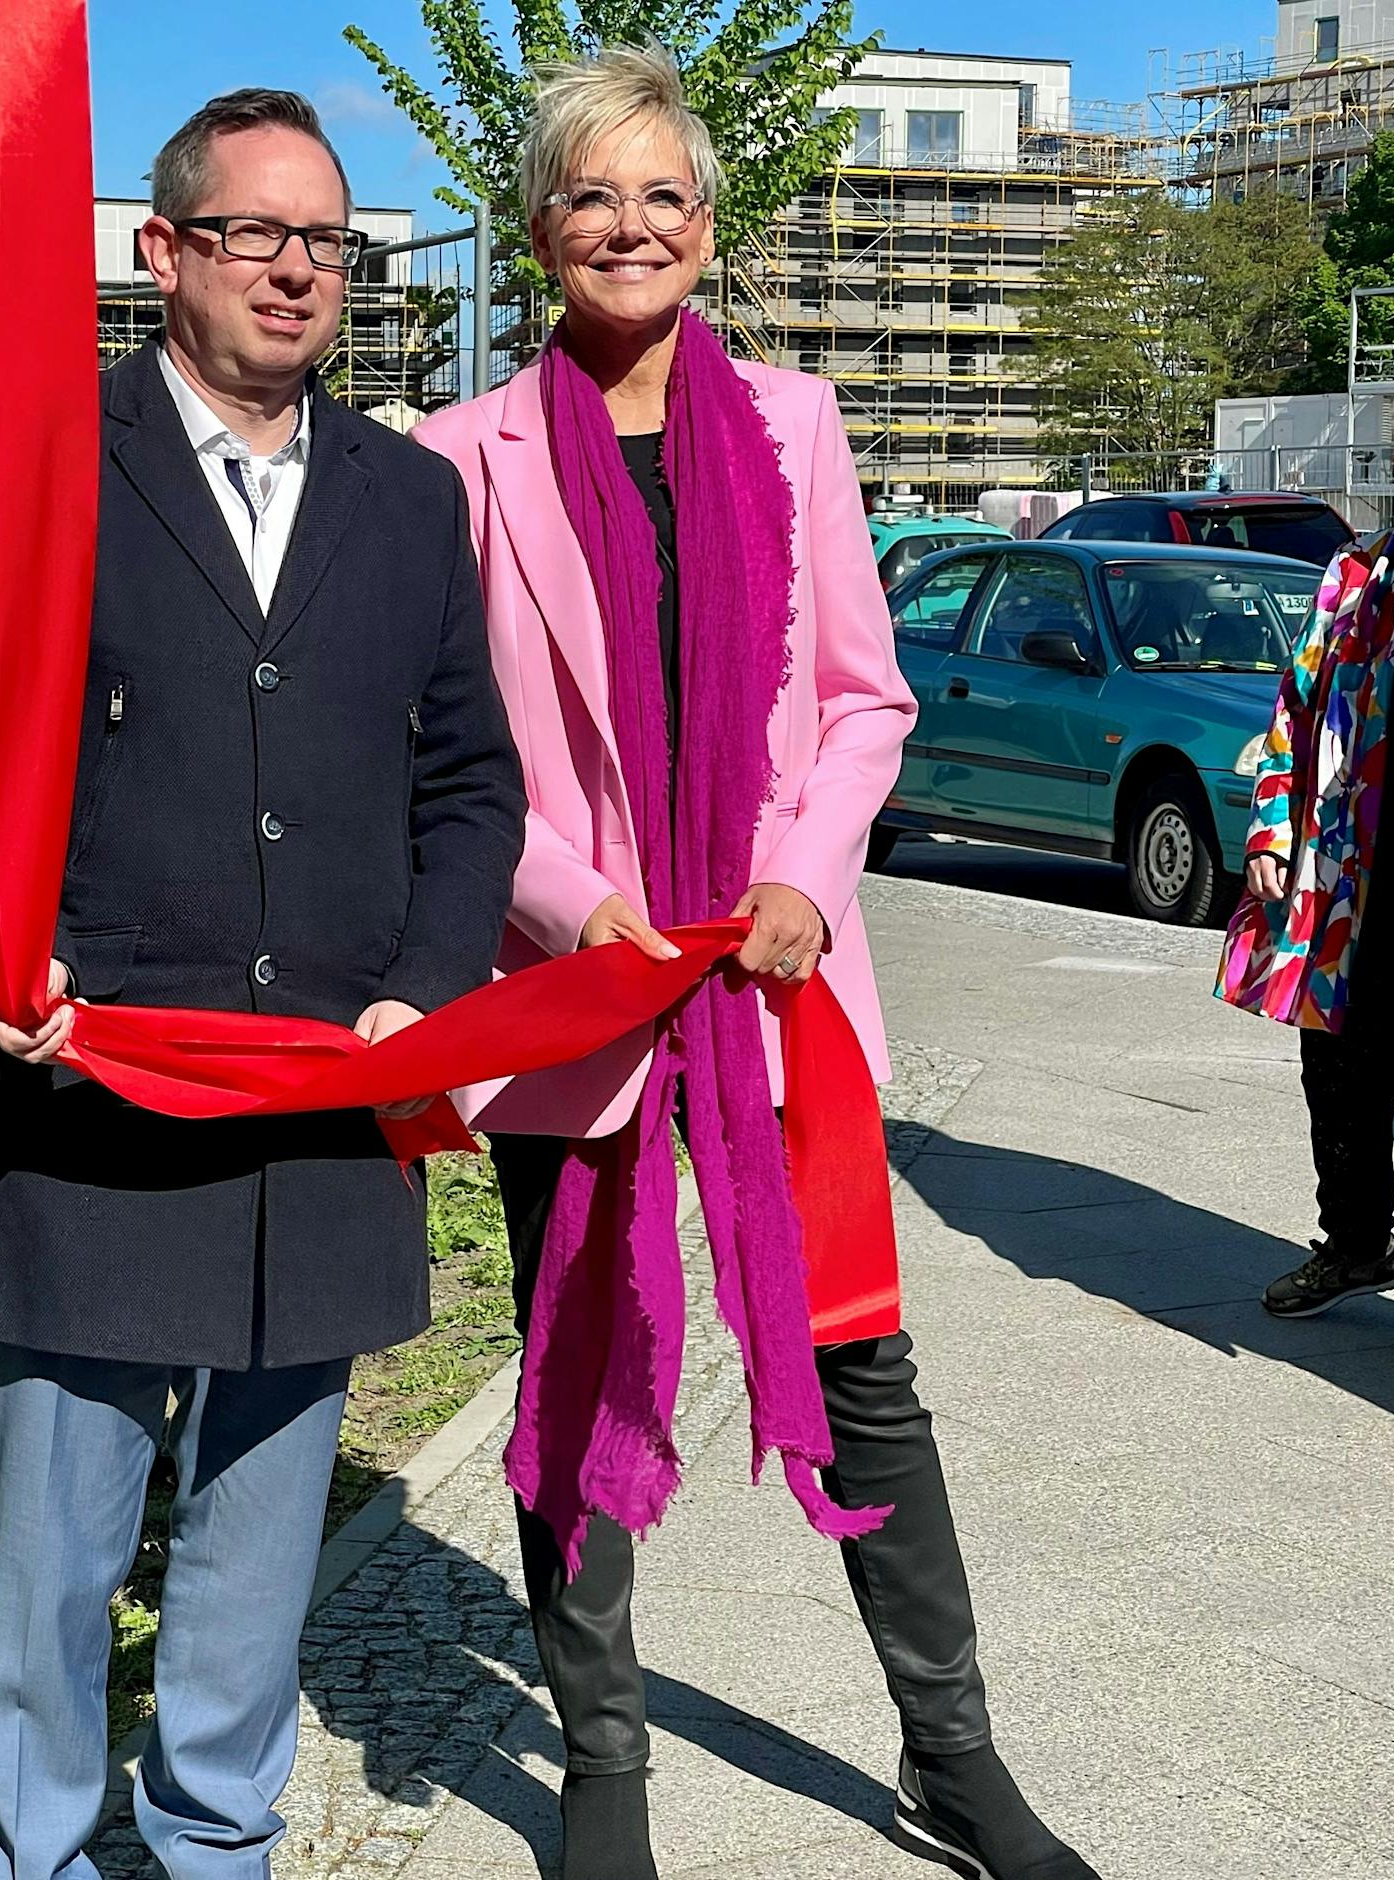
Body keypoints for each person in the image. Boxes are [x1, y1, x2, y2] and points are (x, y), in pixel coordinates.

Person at [416, 46, 1100, 1880]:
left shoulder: (794, 426)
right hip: (579, 993)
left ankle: (956, 1760)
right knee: (579, 1367)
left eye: (662, 196)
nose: (627, 226)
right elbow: (446, 744)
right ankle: (605, 1776)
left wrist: (803, 873)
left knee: (861, 1359)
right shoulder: (454, 459)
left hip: (782, 990)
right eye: (589, 194)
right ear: (538, 225)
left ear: (707, 230)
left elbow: (866, 700)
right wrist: (568, 906)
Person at [0, 89, 525, 1880]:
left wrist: (425, 985)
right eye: (258, 233)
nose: (299, 272)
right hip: (90, 1099)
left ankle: (210, 1852)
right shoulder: (49, 459)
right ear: (160, 250)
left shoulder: (408, 499)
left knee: (256, 1564)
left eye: (327, 242)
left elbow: (470, 779)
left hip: (319, 1113)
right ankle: (27, 1856)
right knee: (52, 1566)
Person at [1223, 389, 1394, 1319]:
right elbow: (1292, 714)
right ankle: (1358, 1245)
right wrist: (1271, 830)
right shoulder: (1357, 580)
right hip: (1354, 880)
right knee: (1337, 1069)